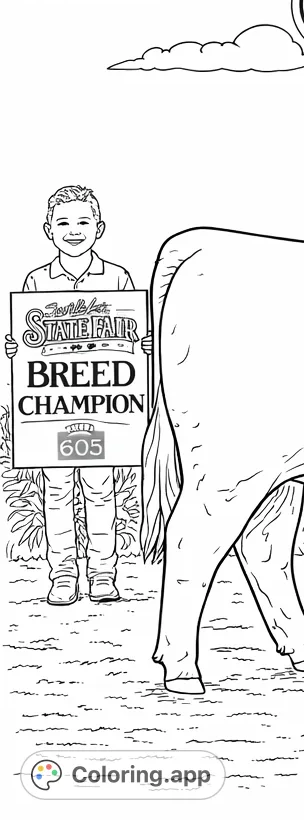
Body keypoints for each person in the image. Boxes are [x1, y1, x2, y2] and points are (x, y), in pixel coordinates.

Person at [5, 186, 151, 606]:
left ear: (99, 228)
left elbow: (131, 333)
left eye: (83, 222)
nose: (74, 231)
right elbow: (27, 341)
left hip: (101, 409)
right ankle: (63, 574)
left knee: (100, 487)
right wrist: (16, 349)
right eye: (64, 223)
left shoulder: (118, 278)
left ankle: (103, 572)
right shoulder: (37, 280)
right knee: (56, 489)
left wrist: (142, 345)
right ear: (48, 230)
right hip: (53, 410)